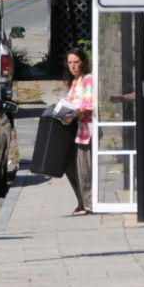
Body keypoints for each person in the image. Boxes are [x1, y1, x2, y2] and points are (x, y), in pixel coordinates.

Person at [58, 48, 94, 214]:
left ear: (83, 62)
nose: (72, 66)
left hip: (85, 130)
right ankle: (81, 201)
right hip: (71, 131)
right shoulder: (73, 82)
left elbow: (86, 106)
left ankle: (88, 203)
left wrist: (73, 116)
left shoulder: (88, 80)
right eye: (70, 62)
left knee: (83, 167)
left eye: (76, 62)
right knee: (69, 166)